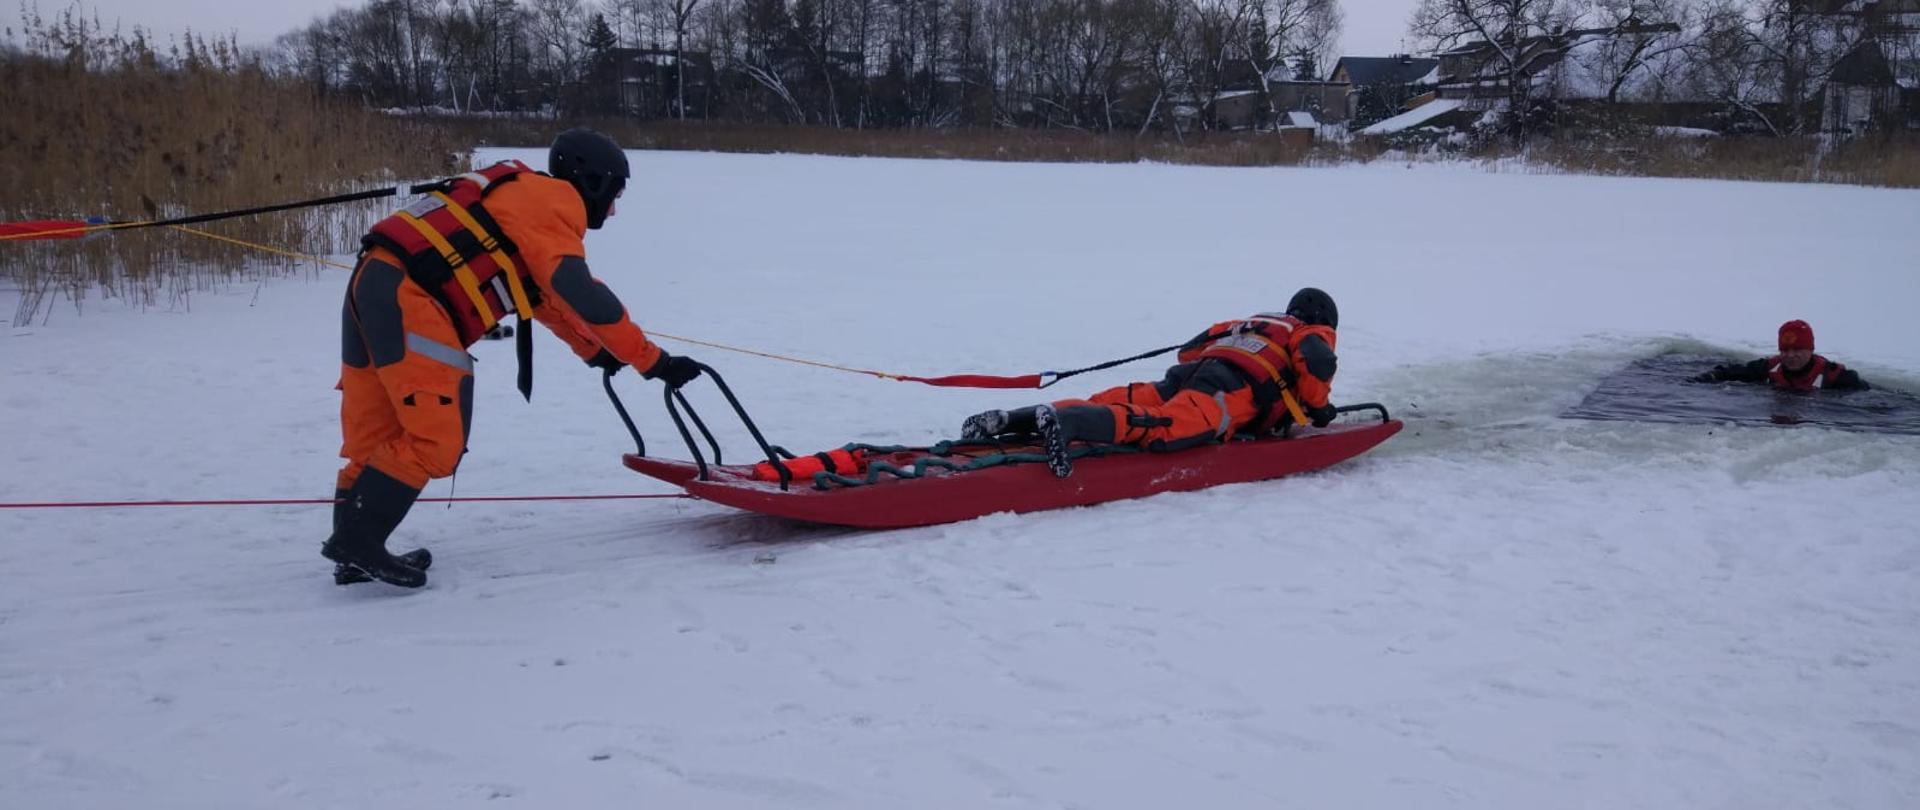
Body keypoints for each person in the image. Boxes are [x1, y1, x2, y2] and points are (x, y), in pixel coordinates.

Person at [324, 128, 703, 588]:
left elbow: (545, 301)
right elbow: (581, 293)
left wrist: (596, 353)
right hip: (414, 303)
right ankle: (358, 542)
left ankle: (353, 549)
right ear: (593, 181)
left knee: (377, 434)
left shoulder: (520, 202)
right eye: (615, 194)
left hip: (374, 285)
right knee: (435, 440)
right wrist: (654, 361)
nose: (615, 208)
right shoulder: (553, 201)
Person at [962, 287, 1341, 478]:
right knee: (1162, 426)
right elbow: (1318, 363)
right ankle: (1068, 423)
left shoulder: (1256, 320)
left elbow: (1189, 351)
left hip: (1191, 375)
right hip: (1230, 390)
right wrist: (1320, 409)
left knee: (1128, 401)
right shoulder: (1310, 331)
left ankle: (1012, 419)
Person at [1692, 319, 1869, 391]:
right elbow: (1732, 371)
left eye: (1798, 350)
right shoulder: (1768, 368)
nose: (1790, 356)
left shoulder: (1836, 376)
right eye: (1785, 350)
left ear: (1811, 349)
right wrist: (1707, 376)